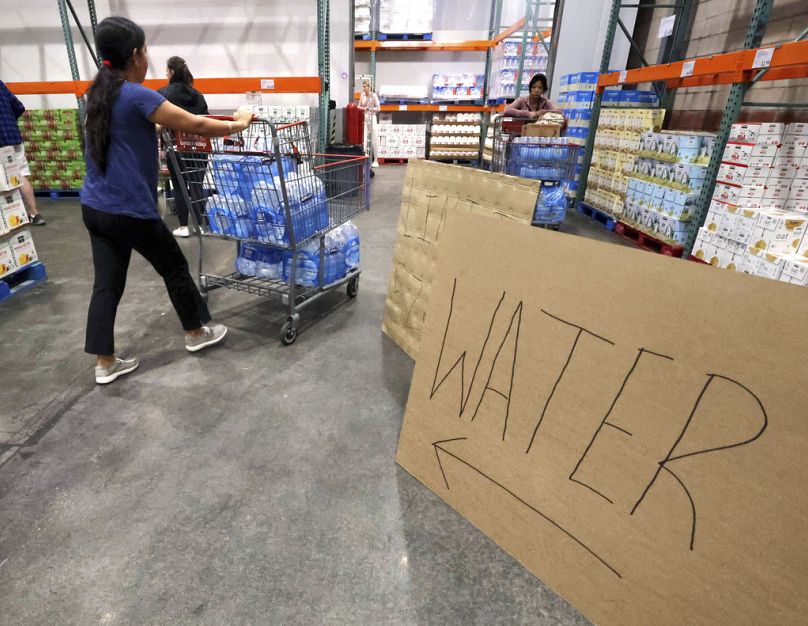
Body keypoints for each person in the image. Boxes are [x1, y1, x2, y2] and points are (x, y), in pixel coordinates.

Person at [81, 16, 253, 385]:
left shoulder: (97, 93)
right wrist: (238, 124)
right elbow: (196, 123)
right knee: (174, 268)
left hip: (94, 208)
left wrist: (157, 124)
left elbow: (130, 128)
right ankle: (195, 333)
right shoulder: (136, 94)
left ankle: (105, 362)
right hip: (130, 210)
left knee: (106, 283)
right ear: (135, 54)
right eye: (145, 52)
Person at [158, 56, 208, 238]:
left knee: (179, 185)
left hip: (176, 147)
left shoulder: (163, 94)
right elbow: (206, 120)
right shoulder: (198, 96)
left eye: (166, 70)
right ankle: (200, 225)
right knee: (197, 185)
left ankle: (183, 226)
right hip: (199, 148)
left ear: (171, 71)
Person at [0, 80, 46, 225]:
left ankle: (10, 218)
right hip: (14, 137)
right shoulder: (0, 84)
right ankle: (35, 213)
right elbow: (19, 107)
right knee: (20, 174)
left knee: (3, 180)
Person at [357, 80, 380, 168]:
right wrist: (362, 108)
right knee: (364, 137)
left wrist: (370, 109)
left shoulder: (374, 96)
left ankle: (376, 159)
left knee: (374, 137)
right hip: (365, 117)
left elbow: (378, 108)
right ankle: (365, 156)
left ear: (369, 87)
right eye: (363, 86)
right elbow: (359, 105)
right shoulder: (362, 95)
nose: (363, 88)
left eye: (365, 86)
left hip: (372, 117)